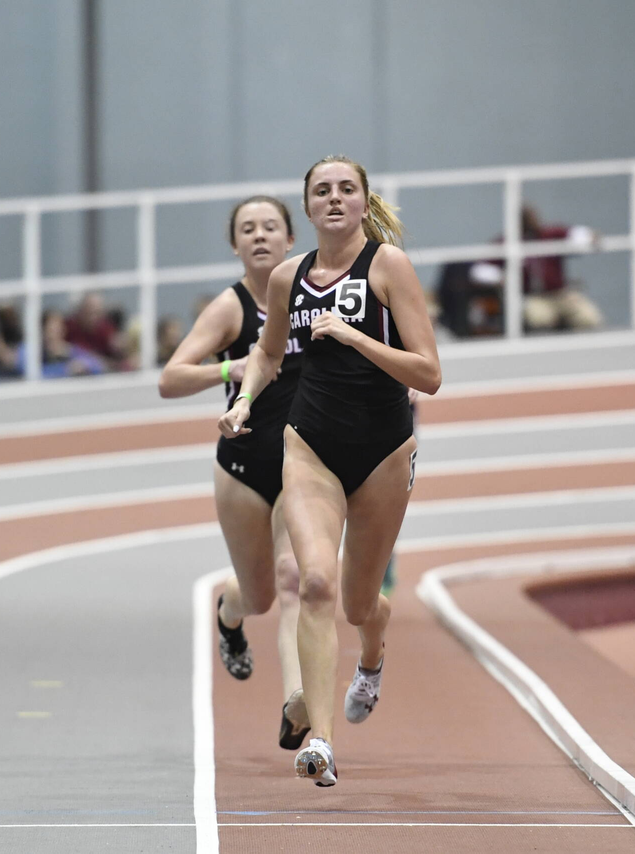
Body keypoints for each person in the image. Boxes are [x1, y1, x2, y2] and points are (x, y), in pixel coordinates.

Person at [218, 156, 441, 787]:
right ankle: (320, 740)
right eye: (323, 191)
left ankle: (371, 656)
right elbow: (265, 356)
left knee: (358, 601)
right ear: (308, 209)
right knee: (312, 582)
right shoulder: (289, 276)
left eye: (347, 189)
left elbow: (429, 371)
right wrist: (241, 402)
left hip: (383, 451)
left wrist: (354, 337)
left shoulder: (388, 267)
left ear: (364, 202)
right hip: (309, 444)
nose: (335, 198)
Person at [159, 195, 312, 751]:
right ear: (235, 245)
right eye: (247, 229)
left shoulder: (313, 293)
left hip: (304, 463)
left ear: (291, 239)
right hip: (244, 467)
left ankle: (296, 701)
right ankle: (228, 614)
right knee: (260, 595)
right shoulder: (231, 307)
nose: (260, 236)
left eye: (271, 226)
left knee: (295, 581)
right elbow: (169, 378)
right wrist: (230, 366)